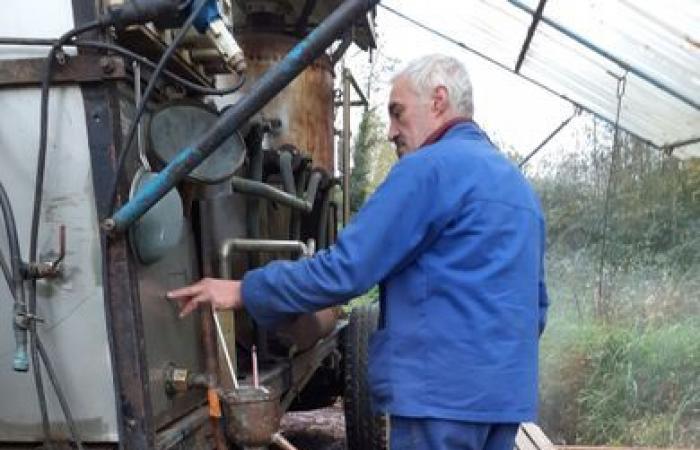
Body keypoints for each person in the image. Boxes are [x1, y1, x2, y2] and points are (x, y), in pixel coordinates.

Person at [168, 54, 549, 450]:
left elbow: (347, 271)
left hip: (440, 400)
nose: (390, 131)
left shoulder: (428, 169)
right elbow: (535, 308)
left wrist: (246, 290)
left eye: (398, 113)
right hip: (504, 402)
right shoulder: (519, 189)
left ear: (438, 100)